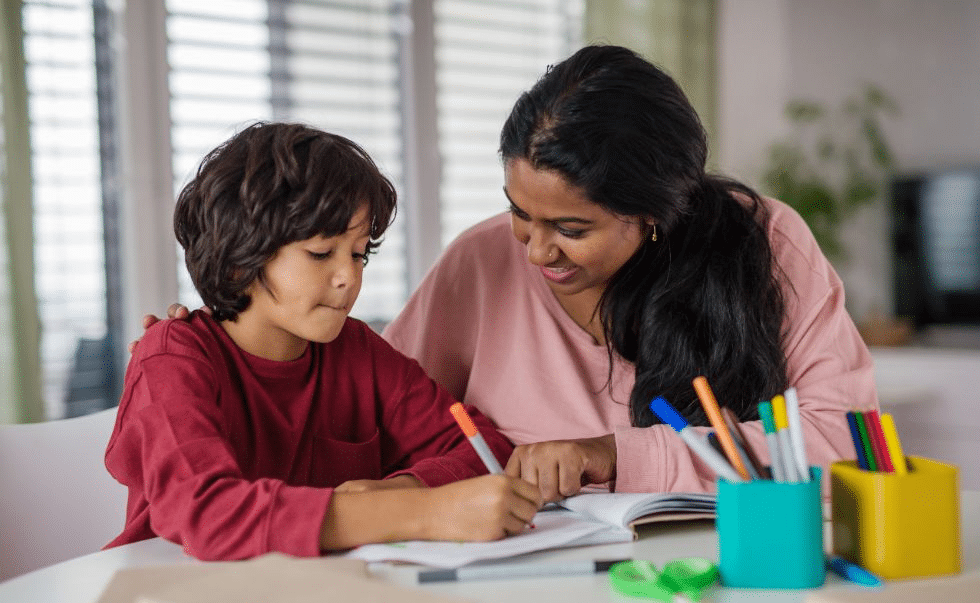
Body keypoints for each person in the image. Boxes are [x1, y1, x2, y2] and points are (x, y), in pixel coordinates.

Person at [152, 45, 877, 504]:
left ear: (654, 214)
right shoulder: (480, 262)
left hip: (738, 571)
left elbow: (844, 440)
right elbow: (360, 409)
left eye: (572, 230)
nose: (534, 252)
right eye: (519, 212)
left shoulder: (767, 243)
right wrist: (223, 344)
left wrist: (607, 456)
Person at [106, 122, 541, 561]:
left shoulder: (356, 350)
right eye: (320, 253)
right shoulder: (172, 356)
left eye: (358, 253)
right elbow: (208, 512)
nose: (349, 278)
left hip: (316, 596)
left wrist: (396, 491)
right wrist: (415, 511)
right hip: (172, 597)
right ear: (241, 257)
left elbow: (481, 444)